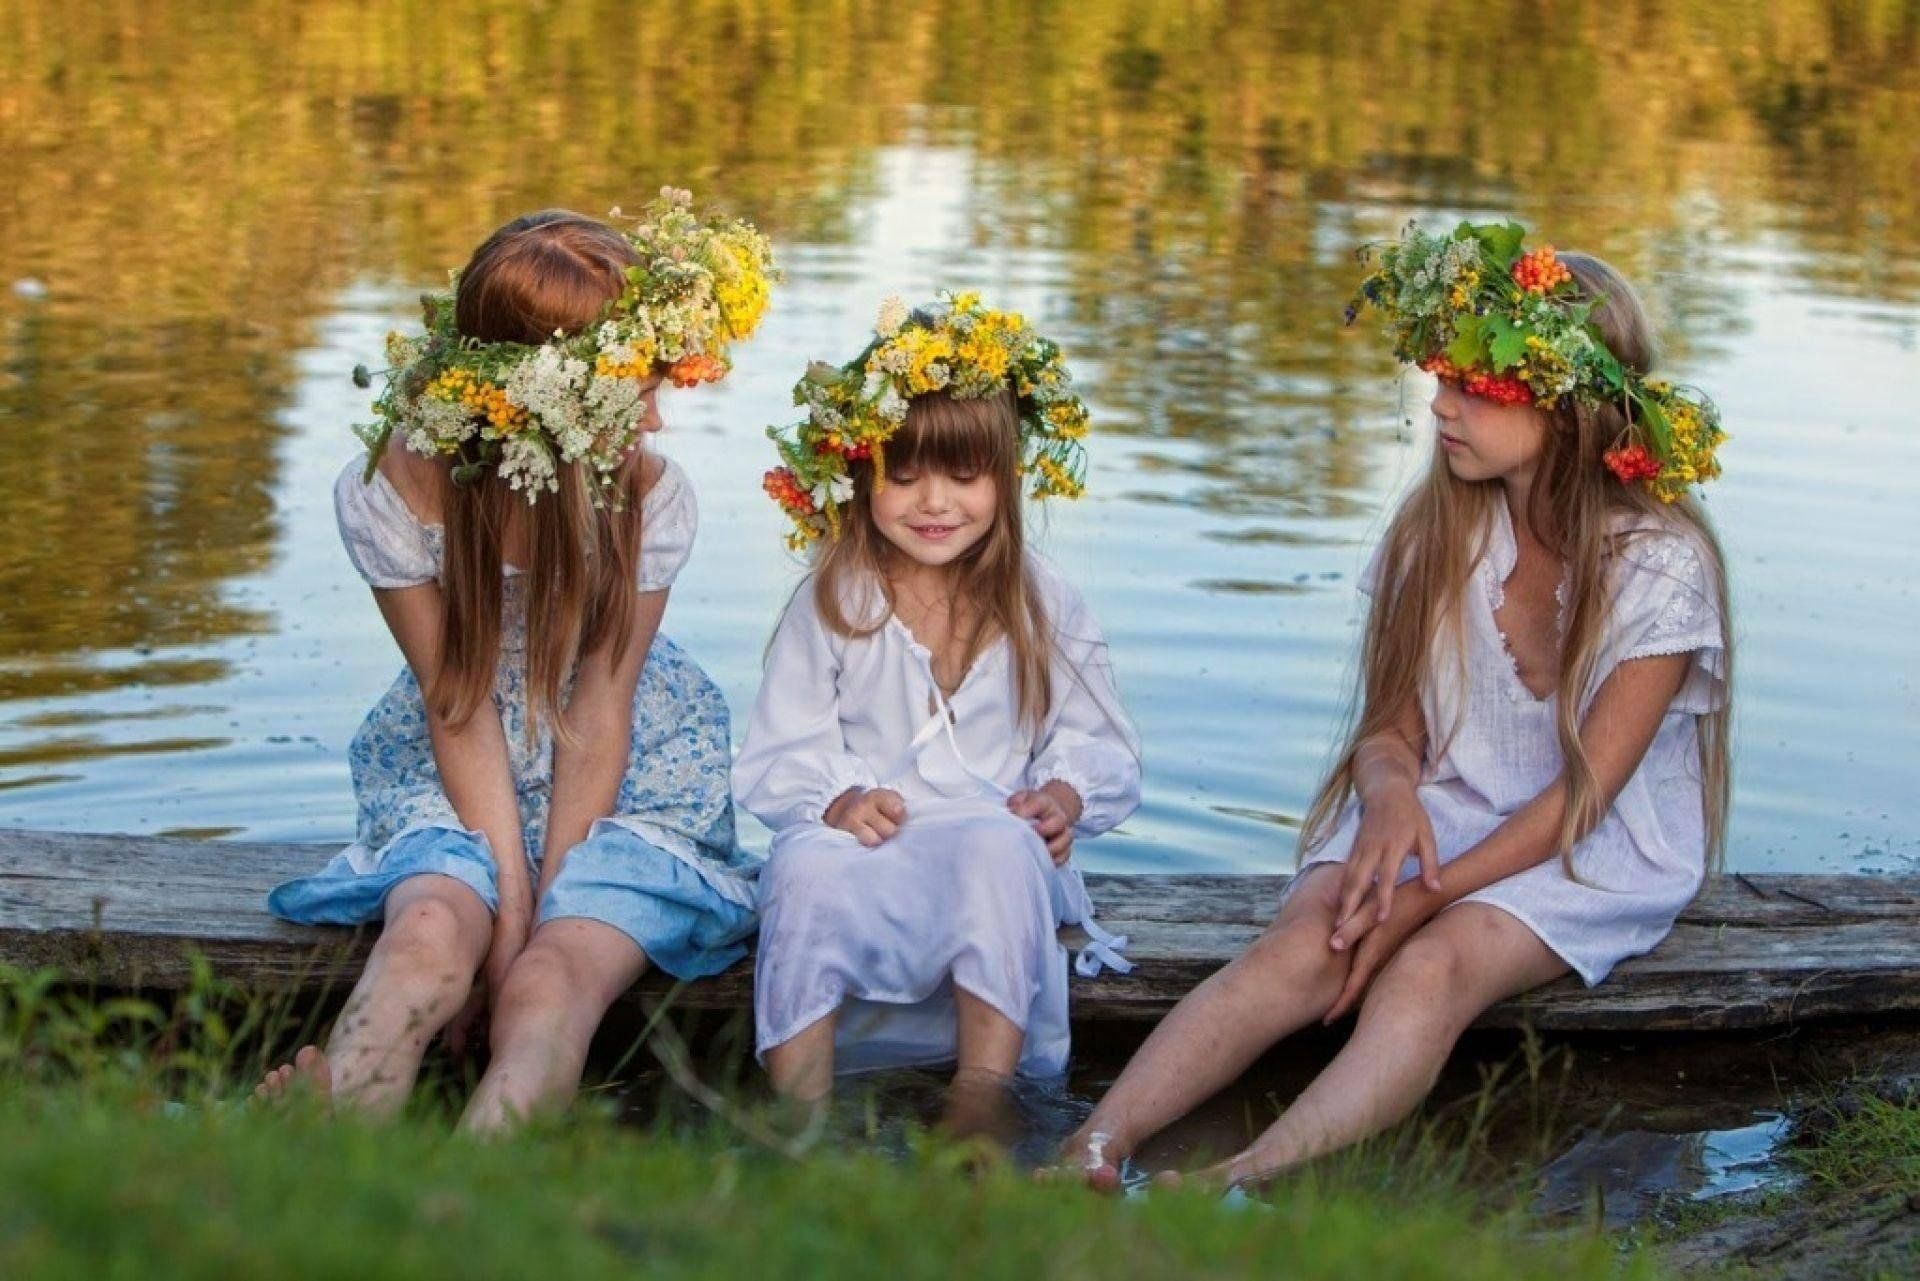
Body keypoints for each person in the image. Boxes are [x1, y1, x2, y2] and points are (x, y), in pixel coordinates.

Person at [1057, 222, 1732, 1191]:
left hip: (1590, 842)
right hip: (1446, 801)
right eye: (1439, 379)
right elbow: (1391, 729)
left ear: (1568, 408)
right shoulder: (1439, 529)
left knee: (1430, 968)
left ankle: (1243, 1175)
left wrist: (1430, 890)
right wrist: (1390, 803)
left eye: (1472, 387)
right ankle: (1092, 1146)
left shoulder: (1660, 569)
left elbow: (1578, 803)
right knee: (1311, 942)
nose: (1440, 405)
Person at [260, 191, 776, 1131]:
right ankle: (324, 1147)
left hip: (621, 774)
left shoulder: (652, 497)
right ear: (547, 401)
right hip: (459, 760)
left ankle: (474, 1192)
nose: (655, 417)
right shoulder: (395, 488)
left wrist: (531, 926)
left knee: (547, 978)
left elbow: (603, 707)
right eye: (635, 389)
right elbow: (454, 703)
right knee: (427, 936)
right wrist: (493, 913)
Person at [738, 293, 1141, 1129]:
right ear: (860, 469)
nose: (934, 502)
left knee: (999, 842)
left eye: (964, 475)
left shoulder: (1042, 600)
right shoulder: (837, 599)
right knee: (804, 867)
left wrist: (1062, 798)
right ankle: (799, 1114)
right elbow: (781, 749)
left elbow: (1098, 740)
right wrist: (839, 799)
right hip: (864, 839)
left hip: (987, 835)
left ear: (1007, 480)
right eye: (905, 473)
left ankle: (979, 1099)